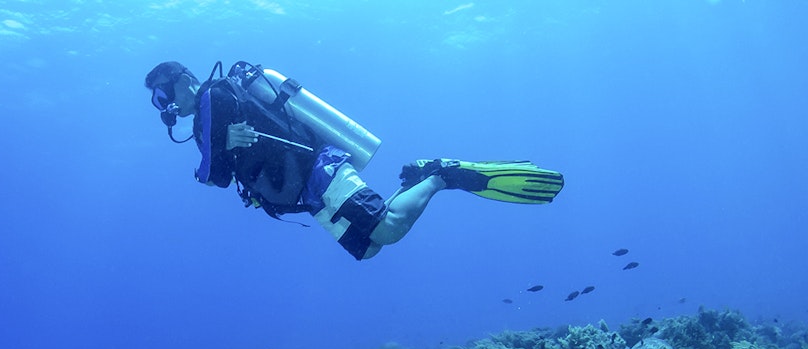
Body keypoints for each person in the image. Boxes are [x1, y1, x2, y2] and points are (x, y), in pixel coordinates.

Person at [145, 61, 563, 261]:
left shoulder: (212, 97)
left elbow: (212, 176)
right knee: (371, 248)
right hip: (302, 191)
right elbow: (220, 169)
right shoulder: (207, 122)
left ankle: (439, 176)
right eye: (157, 102)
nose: (164, 107)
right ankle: (418, 177)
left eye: (163, 96)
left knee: (389, 229)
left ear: (183, 80)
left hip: (316, 169)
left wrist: (218, 155)